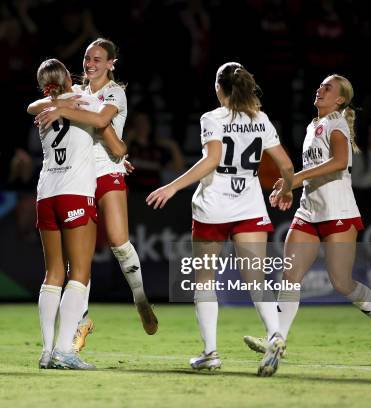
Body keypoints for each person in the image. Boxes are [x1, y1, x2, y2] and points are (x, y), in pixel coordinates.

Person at [146, 62, 294, 377]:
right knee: (257, 280)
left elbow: (212, 159)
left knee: (204, 280)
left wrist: (173, 186)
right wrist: (287, 189)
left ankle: (210, 353)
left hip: (213, 207)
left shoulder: (212, 118)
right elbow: (286, 165)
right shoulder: (261, 120)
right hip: (250, 207)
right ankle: (275, 334)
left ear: (218, 88)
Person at [244, 74, 371, 362]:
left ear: (340, 99)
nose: (320, 89)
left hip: (337, 212)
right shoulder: (313, 125)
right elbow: (315, 170)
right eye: (320, 85)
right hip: (309, 211)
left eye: (328, 88)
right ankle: (276, 341)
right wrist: (292, 189)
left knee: (342, 283)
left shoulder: (336, 123)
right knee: (290, 276)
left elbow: (339, 162)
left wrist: (296, 178)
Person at [30, 38, 158, 352]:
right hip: (80, 175)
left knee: (117, 240)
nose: (90, 64)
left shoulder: (115, 92)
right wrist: (63, 104)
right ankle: (81, 322)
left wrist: (60, 107)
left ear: (111, 63)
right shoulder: (79, 93)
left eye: (98, 59)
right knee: (79, 259)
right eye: (87, 58)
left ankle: (139, 296)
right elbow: (36, 105)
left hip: (107, 171)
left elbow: (102, 122)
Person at [33, 58, 126, 370]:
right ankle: (65, 351)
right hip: (75, 193)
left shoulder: (42, 107)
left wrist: (56, 104)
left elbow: (33, 106)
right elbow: (116, 144)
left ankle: (47, 351)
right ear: (68, 79)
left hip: (46, 194)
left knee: (52, 274)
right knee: (80, 274)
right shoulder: (87, 101)